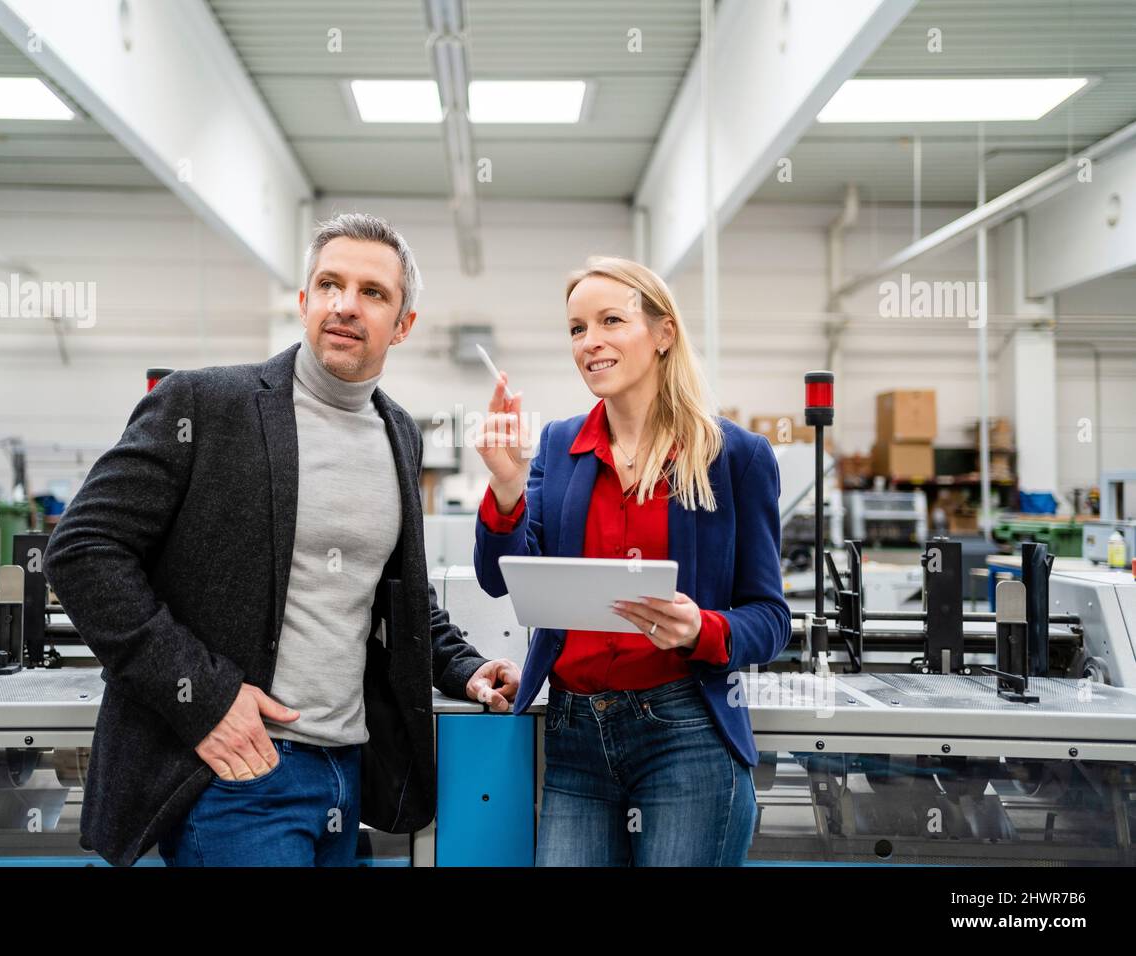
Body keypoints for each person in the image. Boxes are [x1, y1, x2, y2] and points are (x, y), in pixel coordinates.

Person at [46, 212, 520, 867]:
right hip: (238, 773)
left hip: (345, 771)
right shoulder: (205, 405)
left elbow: (391, 594)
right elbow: (82, 551)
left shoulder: (398, 433)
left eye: (372, 292)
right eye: (329, 284)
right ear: (303, 301)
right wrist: (206, 699)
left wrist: (464, 668)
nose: (345, 305)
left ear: (403, 324)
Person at [473, 256, 790, 866]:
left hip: (687, 733)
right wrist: (507, 488)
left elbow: (771, 619)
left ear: (663, 332)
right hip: (575, 732)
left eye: (610, 321)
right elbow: (497, 578)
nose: (589, 342)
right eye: (577, 328)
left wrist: (702, 628)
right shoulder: (559, 447)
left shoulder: (734, 457)